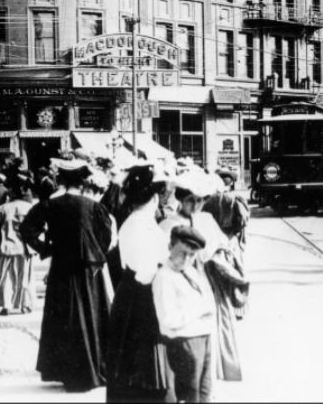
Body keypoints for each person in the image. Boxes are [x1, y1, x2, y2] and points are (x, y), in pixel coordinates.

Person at [20, 159, 114, 393]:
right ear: (82, 183)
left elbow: (26, 229)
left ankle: (63, 370)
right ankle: (93, 369)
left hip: (61, 268)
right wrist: (96, 255)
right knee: (91, 317)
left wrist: (46, 249)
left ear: (61, 181)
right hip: (88, 271)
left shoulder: (50, 205)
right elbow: (106, 237)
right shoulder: (93, 206)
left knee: (64, 317)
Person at [162, 171, 244, 384]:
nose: (196, 205)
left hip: (208, 279)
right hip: (181, 281)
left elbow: (222, 246)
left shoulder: (206, 219)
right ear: (181, 198)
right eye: (191, 200)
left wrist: (222, 257)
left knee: (213, 323)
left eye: (200, 200)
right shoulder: (169, 224)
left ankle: (212, 370)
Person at [104, 163, 173, 403]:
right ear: (154, 198)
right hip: (143, 299)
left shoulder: (134, 221)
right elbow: (145, 271)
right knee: (144, 372)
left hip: (132, 297)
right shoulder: (142, 225)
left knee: (130, 368)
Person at [152, 225, 217, 404]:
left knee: (204, 392)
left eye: (192, 255)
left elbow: (206, 300)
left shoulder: (190, 271)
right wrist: (200, 311)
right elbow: (168, 318)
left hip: (202, 338)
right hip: (184, 343)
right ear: (170, 247)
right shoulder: (164, 277)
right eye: (182, 252)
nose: (186, 259)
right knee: (190, 395)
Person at [0, 180, 35, 316]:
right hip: (25, 247)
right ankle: (24, 304)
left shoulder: (2, 208)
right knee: (25, 276)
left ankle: (6, 306)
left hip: (4, 246)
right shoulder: (29, 208)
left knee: (4, 277)